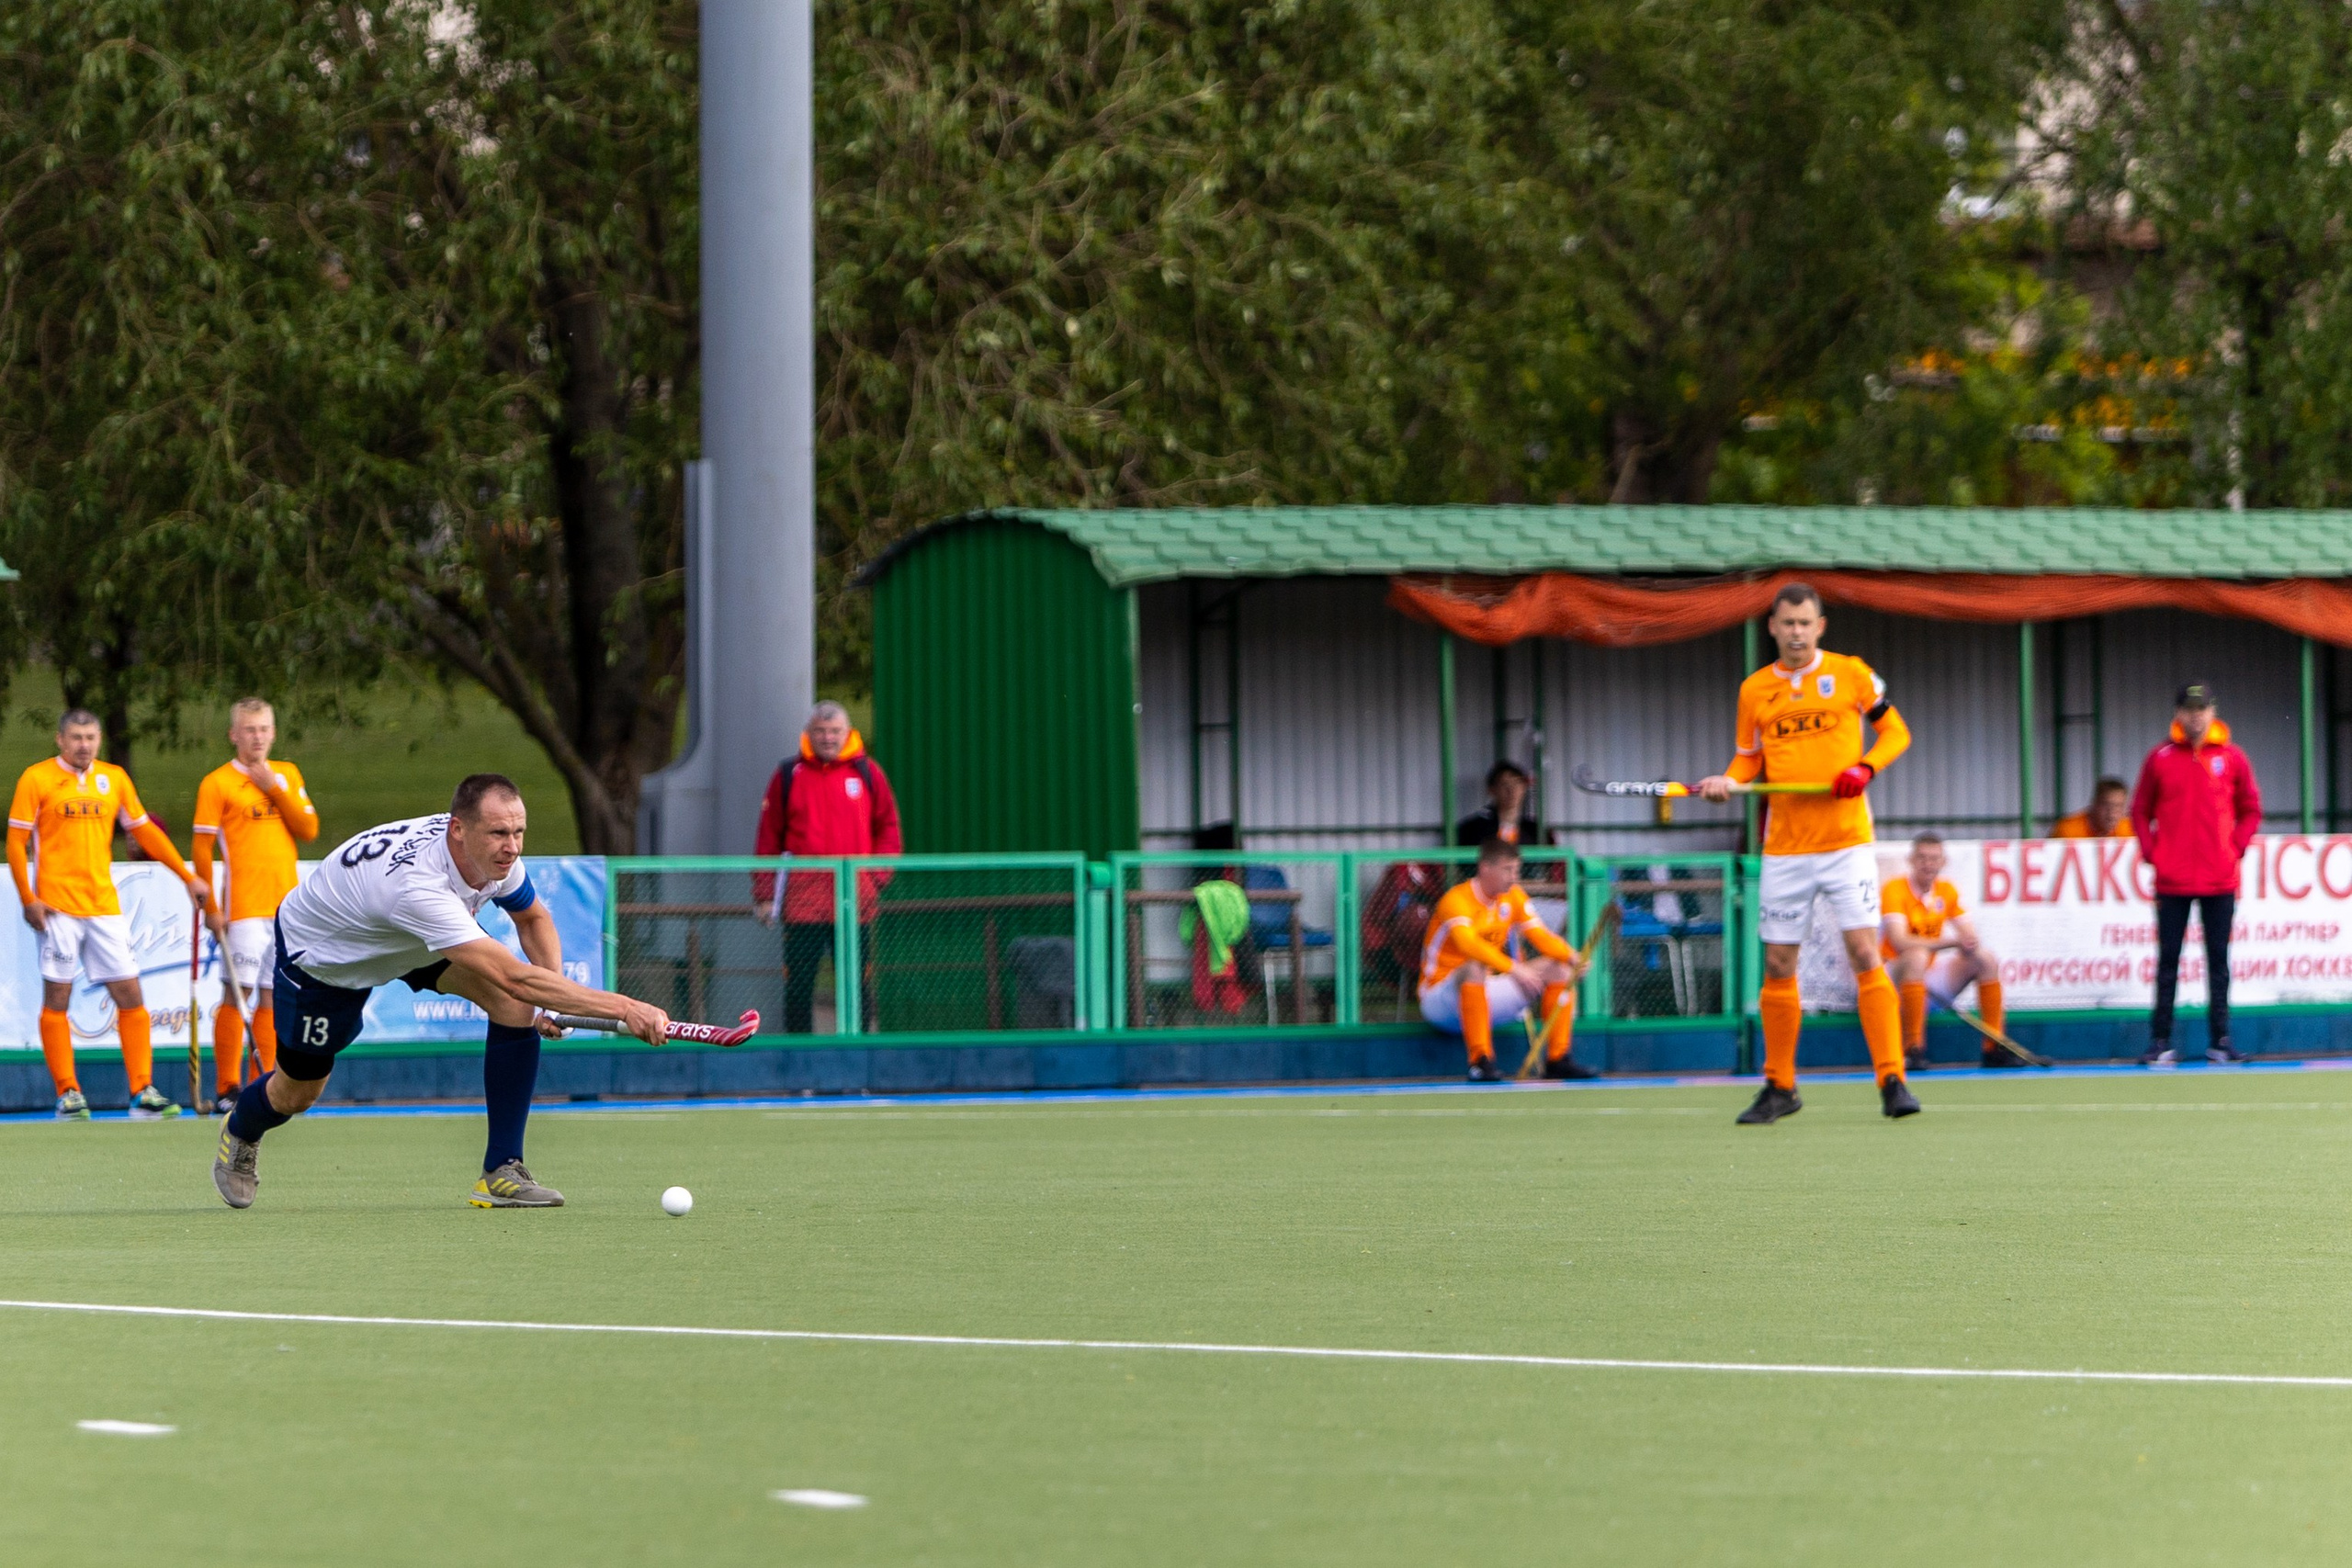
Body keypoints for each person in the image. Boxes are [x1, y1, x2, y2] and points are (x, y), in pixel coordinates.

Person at [211, 774, 670, 1210]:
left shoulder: (490, 852)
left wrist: (549, 1003)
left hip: (405, 939)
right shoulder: (418, 887)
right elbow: (514, 974)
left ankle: (502, 1171)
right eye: (498, 833)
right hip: (326, 960)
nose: (511, 847)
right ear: (459, 830)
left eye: (518, 832)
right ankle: (242, 1128)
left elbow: (534, 919)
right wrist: (625, 1007)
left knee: (515, 1005)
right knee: (296, 1094)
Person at [1698, 582, 1917, 1124]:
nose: (1796, 632)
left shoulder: (1852, 674)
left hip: (1845, 842)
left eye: (1805, 623)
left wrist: (1864, 769)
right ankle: (1780, 1086)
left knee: (1866, 952)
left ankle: (1892, 1079)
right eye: (1786, 623)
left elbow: (1896, 733)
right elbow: (1747, 760)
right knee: (1778, 963)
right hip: (1786, 848)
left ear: (1820, 626)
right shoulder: (1754, 690)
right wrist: (1725, 781)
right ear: (1771, 627)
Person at [7, 708, 212, 1121]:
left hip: (103, 907)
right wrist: (28, 897)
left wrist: (187, 876)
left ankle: (142, 1091)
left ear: (99, 740)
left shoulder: (113, 778)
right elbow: (16, 842)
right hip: (58, 908)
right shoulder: (36, 778)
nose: (85, 745)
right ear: (60, 740)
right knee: (58, 999)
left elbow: (143, 830)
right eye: (77, 738)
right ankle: (68, 1093)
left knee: (131, 996)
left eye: (91, 737)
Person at [193, 698, 321, 1113]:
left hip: (287, 907)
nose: (258, 737)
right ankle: (227, 1086)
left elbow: (308, 829)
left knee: (270, 995)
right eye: (249, 730)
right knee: (237, 992)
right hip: (244, 907)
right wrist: (211, 904)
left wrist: (274, 788)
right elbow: (201, 847)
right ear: (234, 735)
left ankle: (260, 1084)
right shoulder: (218, 783)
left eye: (264, 729)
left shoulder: (286, 774)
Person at [2130, 682, 2259, 1066]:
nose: (2196, 716)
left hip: (2219, 879)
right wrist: (2154, 853)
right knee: (2168, 960)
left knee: (2218, 960)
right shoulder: (2161, 757)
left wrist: (2233, 849)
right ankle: (2160, 1041)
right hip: (2173, 880)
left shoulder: (2232, 757)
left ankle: (2221, 1039)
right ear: (2178, 714)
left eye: (2202, 709)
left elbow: (2251, 809)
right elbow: (2140, 811)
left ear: (2212, 712)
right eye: (2189, 710)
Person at [753, 701, 901, 1033]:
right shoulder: (789, 775)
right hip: (802, 905)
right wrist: (765, 894)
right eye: (820, 731)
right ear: (809, 733)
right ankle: (800, 1071)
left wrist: (874, 878)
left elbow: (888, 829)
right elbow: (767, 840)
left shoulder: (867, 774)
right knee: (798, 987)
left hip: (853, 904)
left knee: (856, 987)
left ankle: (858, 1068)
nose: (828, 738)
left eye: (834, 731)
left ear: (846, 733)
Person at [1418, 838, 1594, 1082]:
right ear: (1485, 868)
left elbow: (1539, 935)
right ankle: (1480, 1062)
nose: (1513, 877)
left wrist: (1572, 957)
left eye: (1516, 870)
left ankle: (1558, 1059)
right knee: (1475, 967)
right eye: (1507, 870)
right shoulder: (1456, 900)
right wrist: (1514, 969)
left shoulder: (1513, 897)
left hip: (1483, 995)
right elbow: (1469, 945)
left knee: (1559, 970)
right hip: (1441, 1001)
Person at [1881, 833, 2006, 1072]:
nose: (1928, 864)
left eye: (1934, 859)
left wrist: (1968, 941)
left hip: (1926, 980)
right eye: (1922, 858)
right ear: (1911, 860)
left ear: (1943, 862)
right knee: (1917, 955)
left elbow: (1968, 933)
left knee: (1985, 959)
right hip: (1893, 978)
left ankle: (1994, 1048)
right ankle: (1913, 1049)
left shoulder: (1946, 891)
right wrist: (1950, 942)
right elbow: (1899, 942)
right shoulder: (1895, 889)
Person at [1455, 761, 1542, 849]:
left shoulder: (1535, 830)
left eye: (1517, 783)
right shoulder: (1472, 830)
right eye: (1504, 784)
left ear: (1524, 788)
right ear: (1491, 789)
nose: (1511, 791)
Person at [2052, 777, 2132, 839]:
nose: (2112, 815)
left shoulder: (2129, 830)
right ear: (2095, 803)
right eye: (2107, 805)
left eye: (2119, 806)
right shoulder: (2068, 830)